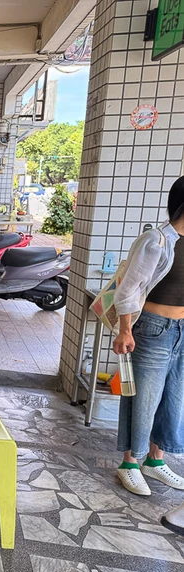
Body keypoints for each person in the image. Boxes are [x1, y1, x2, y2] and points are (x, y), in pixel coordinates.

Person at [114, 175, 184, 498]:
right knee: (143, 397)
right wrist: (125, 329)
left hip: (181, 333)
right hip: (153, 328)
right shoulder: (156, 241)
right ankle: (130, 463)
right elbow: (127, 290)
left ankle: (156, 459)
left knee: (173, 398)